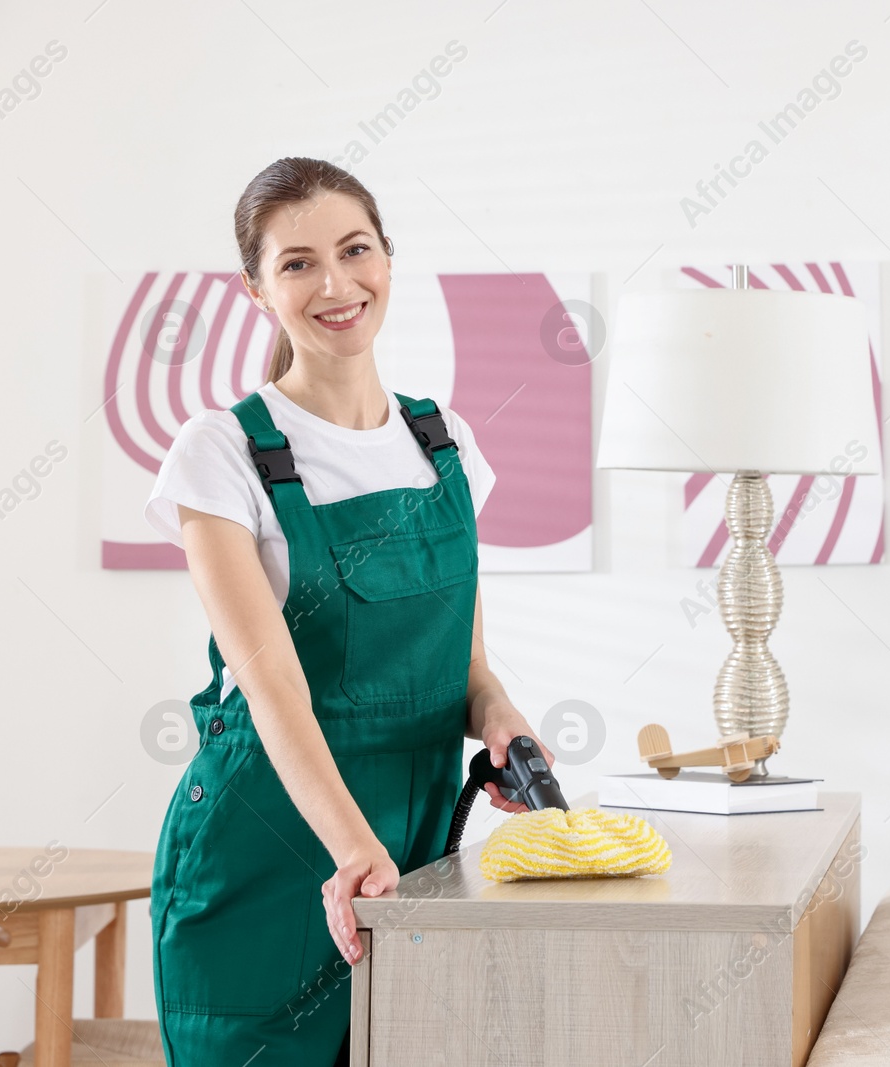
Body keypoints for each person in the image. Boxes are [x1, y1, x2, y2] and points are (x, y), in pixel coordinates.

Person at [144, 157, 551, 1067]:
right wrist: (353, 849)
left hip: (407, 842)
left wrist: (500, 716)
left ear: (388, 261)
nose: (335, 284)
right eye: (296, 264)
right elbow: (271, 686)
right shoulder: (222, 452)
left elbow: (466, 665)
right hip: (266, 847)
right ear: (257, 289)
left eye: (354, 249)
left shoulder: (443, 442)